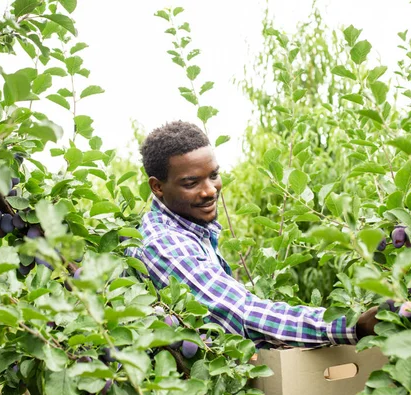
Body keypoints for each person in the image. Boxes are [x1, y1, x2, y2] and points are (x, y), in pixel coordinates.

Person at [127, 120, 378, 348]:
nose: (210, 191)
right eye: (191, 183)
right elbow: (243, 312)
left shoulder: (188, 227)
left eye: (213, 175)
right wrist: (354, 325)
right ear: (157, 186)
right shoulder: (164, 244)